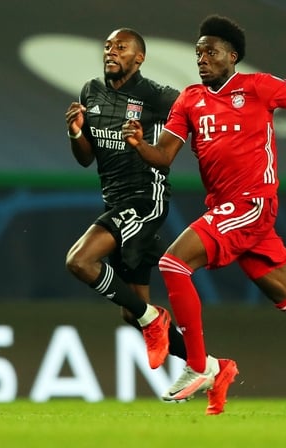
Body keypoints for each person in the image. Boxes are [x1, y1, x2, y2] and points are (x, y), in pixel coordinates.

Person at [122, 14, 286, 414]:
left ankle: (199, 366)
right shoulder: (189, 100)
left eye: (211, 52)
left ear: (232, 56)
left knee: (173, 263)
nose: (202, 59)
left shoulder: (258, 87)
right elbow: (163, 155)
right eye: (198, 52)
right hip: (226, 208)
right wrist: (137, 144)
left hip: (253, 203)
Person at [64, 28, 188, 375]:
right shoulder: (92, 92)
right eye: (107, 46)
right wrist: (76, 132)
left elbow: (188, 121)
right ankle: (207, 364)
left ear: (139, 58)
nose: (111, 52)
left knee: (79, 261)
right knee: (129, 310)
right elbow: (85, 158)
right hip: (115, 202)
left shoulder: (158, 97)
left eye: (121, 47)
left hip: (146, 200)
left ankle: (154, 319)